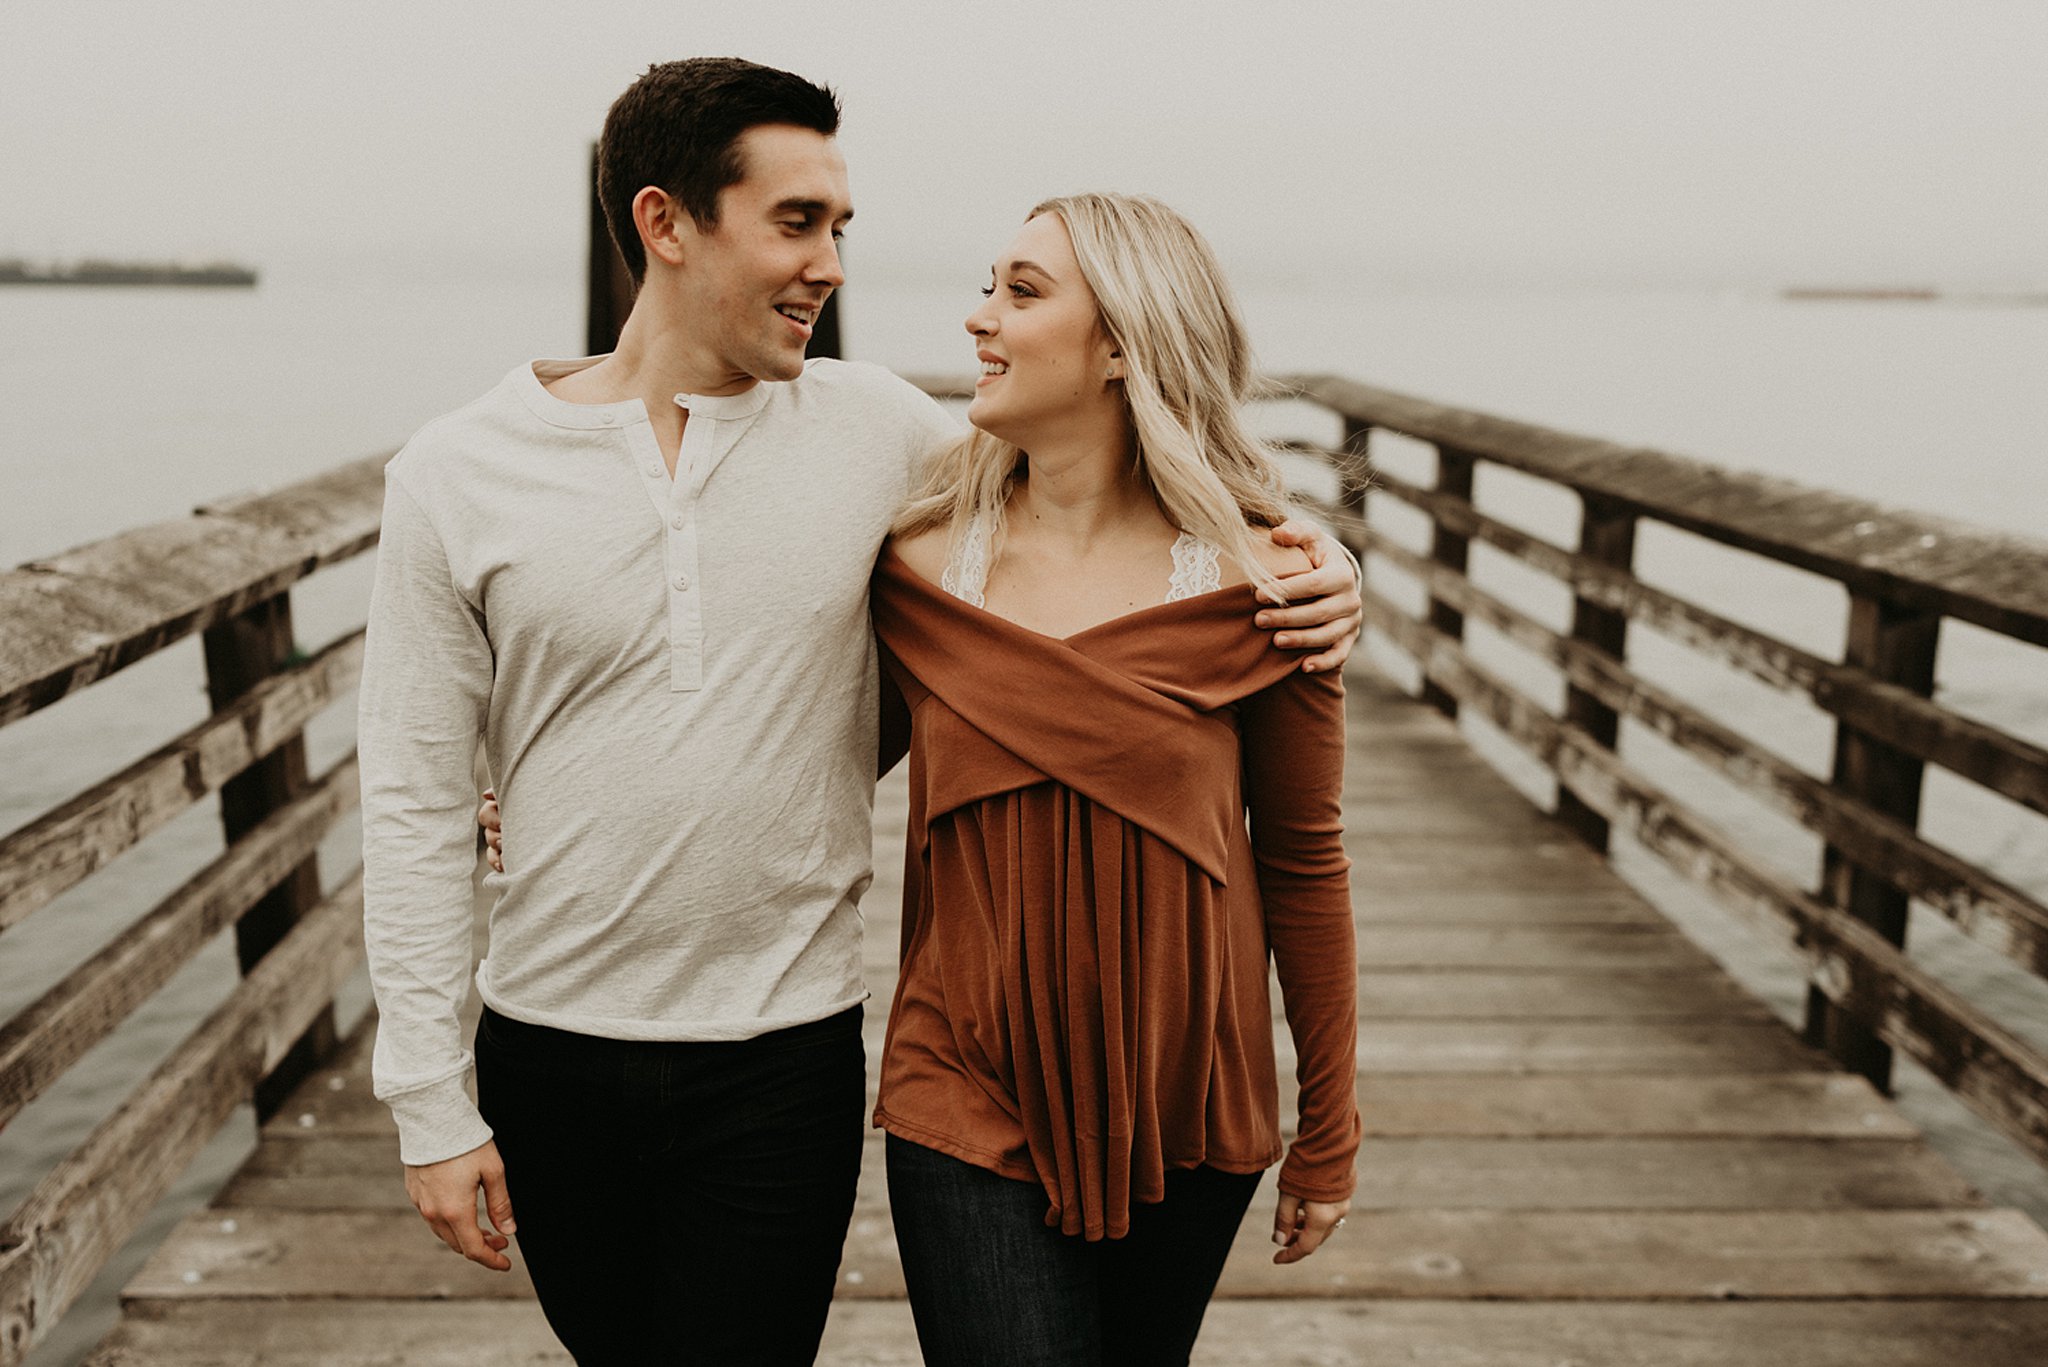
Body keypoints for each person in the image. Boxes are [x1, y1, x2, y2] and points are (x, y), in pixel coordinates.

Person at [359, 58, 1363, 1367]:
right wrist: (428, 1098)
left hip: (787, 1046)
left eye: (842, 227)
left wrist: (1326, 561)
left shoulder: (884, 434)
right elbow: (415, 797)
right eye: (796, 222)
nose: (831, 262)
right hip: (549, 1038)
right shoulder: (455, 471)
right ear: (666, 223)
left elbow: (1103, 475)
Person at [869, 193, 1360, 1366]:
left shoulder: (1266, 585)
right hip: (962, 1080)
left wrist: (1328, 1128)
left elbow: (1302, 857)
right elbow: (796, 743)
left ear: (1123, 345)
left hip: (1184, 1094)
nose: (978, 318)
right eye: (990, 284)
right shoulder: (918, 567)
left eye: (1022, 292)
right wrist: (550, 798)